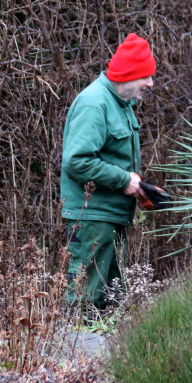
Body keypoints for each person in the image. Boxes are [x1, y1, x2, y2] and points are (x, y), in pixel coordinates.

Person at [60, 33, 155, 307]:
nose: (150, 83)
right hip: (91, 219)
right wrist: (124, 180)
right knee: (83, 303)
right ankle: (74, 351)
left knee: (107, 303)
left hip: (108, 218)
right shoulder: (94, 103)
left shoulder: (121, 104)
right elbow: (77, 161)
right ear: (129, 74)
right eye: (146, 76)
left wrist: (137, 187)